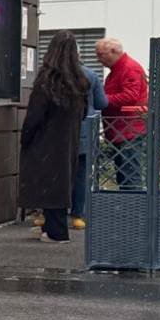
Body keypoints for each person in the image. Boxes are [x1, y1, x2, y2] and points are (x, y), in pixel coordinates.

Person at [20, 31, 90, 243]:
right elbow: (85, 112)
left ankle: (56, 231)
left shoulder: (46, 81)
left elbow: (35, 115)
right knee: (61, 183)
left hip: (45, 142)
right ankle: (51, 228)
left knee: (46, 184)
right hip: (69, 142)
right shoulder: (80, 82)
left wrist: (26, 137)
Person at [97, 38, 149, 190]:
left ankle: (133, 209)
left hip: (128, 129)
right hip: (121, 129)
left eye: (101, 54)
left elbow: (130, 96)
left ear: (114, 52)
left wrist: (103, 100)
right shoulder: (118, 70)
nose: (98, 59)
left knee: (129, 175)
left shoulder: (128, 68)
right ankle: (128, 207)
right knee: (124, 173)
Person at [72, 63, 109, 229]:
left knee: (59, 173)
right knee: (82, 174)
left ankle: (50, 214)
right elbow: (102, 103)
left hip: (58, 133)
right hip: (85, 130)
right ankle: (78, 215)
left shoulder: (53, 73)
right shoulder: (91, 75)